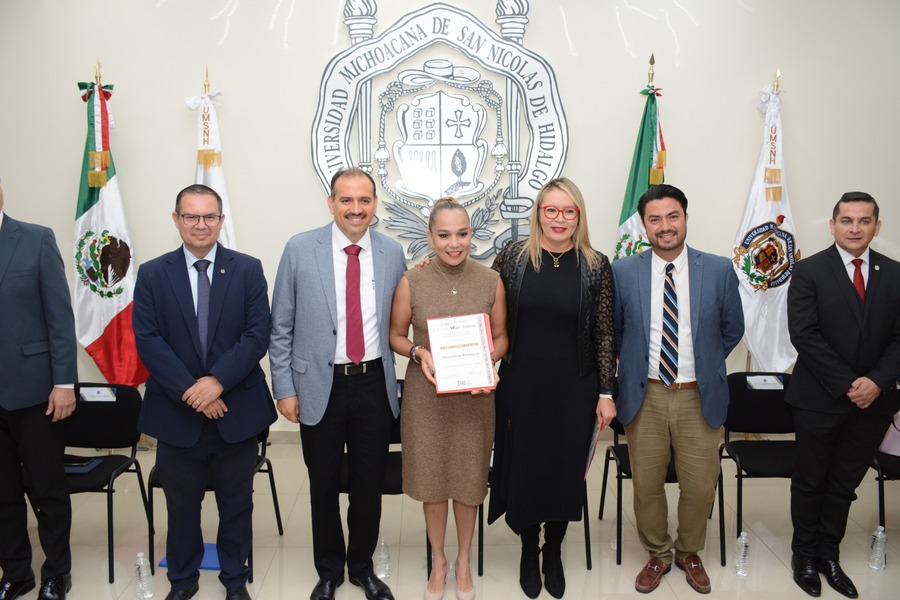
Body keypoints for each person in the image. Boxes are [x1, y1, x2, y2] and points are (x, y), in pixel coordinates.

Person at [133, 184, 276, 600]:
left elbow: (257, 334)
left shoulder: (247, 269)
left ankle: (235, 580)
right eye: (191, 216)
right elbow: (148, 340)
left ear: (221, 220)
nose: (200, 225)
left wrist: (216, 382)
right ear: (176, 219)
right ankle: (182, 581)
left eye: (209, 216)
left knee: (237, 505)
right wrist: (192, 391)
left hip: (236, 410)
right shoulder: (153, 273)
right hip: (176, 414)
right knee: (181, 507)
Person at [269, 168, 405, 600]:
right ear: (331, 203)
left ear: (374, 205)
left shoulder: (391, 252)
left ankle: (362, 567)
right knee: (323, 485)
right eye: (346, 200)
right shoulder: (299, 249)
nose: (355, 208)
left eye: (364, 200)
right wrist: (284, 387)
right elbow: (281, 326)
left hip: (373, 384)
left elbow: (404, 314)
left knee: (368, 486)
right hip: (318, 385)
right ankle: (328, 571)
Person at [611, 184, 744, 594]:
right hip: (645, 395)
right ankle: (658, 554)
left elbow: (732, 328)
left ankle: (689, 551)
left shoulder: (718, 269)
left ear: (685, 218)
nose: (665, 226)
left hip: (698, 395)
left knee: (700, 485)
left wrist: (703, 362)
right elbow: (616, 331)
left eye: (673, 216)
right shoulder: (623, 272)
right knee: (647, 485)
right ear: (644, 225)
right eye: (655, 219)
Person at [487, 178, 615, 599]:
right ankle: (528, 549)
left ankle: (553, 550)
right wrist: (431, 267)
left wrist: (606, 392)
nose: (560, 218)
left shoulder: (596, 265)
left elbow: (604, 334)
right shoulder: (513, 257)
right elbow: (481, 303)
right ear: (539, 213)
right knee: (525, 467)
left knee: (563, 470)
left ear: (579, 216)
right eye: (551, 209)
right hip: (521, 386)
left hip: (574, 389)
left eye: (569, 211)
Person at [389, 198, 508, 600]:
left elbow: (501, 337)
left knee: (469, 481)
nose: (454, 243)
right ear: (430, 236)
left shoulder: (491, 281)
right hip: (427, 398)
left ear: (472, 234)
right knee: (433, 480)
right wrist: (418, 353)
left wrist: (487, 361)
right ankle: (438, 560)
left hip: (475, 398)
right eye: (444, 235)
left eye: (461, 234)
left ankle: (462, 561)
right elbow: (396, 335)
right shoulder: (412, 280)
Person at [786, 192, 900, 599]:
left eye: (864, 221)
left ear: (876, 227)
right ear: (833, 225)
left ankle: (828, 554)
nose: (855, 228)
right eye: (847, 221)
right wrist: (851, 384)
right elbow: (804, 335)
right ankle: (804, 555)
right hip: (819, 398)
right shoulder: (809, 271)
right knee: (811, 480)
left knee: (844, 483)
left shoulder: (895, 273)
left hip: (874, 403)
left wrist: (876, 382)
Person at [0, 178, 77, 600]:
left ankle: (56, 572)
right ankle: (16, 572)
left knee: (47, 489)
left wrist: (64, 383)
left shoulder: (35, 239)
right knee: (3, 491)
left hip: (36, 392)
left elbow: (59, 318)